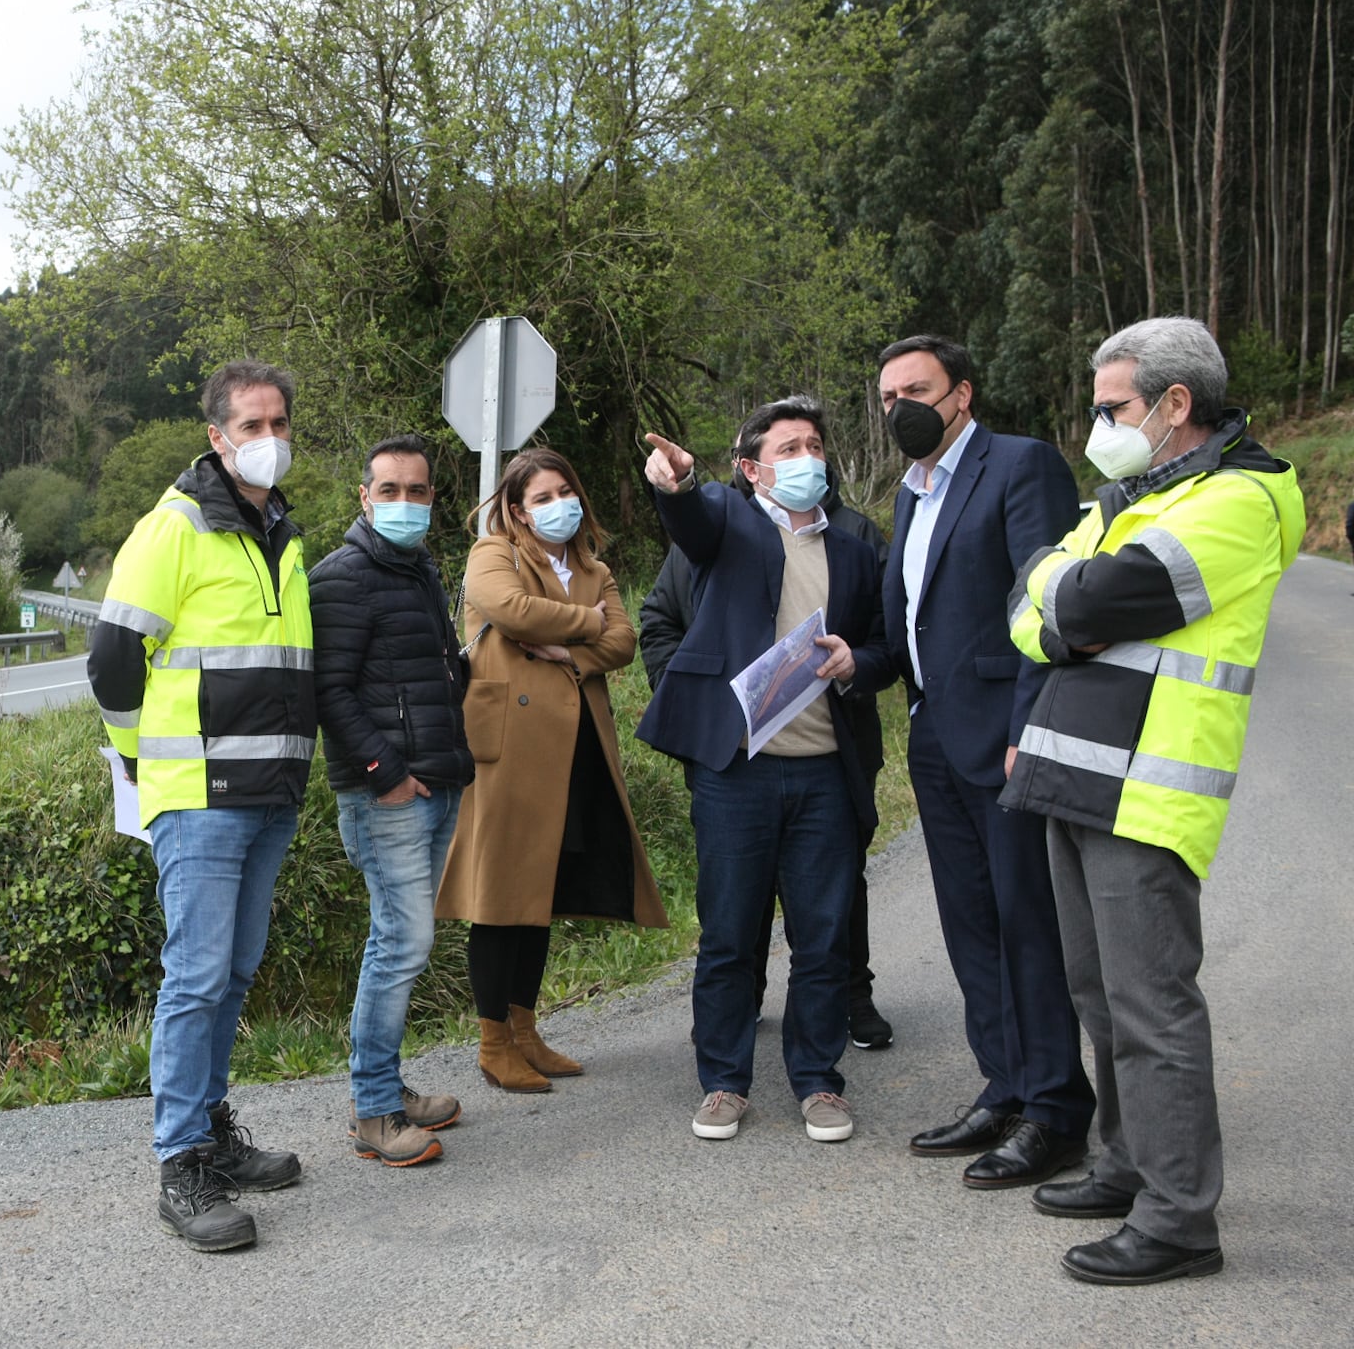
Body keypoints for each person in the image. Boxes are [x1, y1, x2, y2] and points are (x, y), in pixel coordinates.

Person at [1003, 316, 1303, 1285]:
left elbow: (1084, 602)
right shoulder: (1135, 494)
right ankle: (1126, 1162)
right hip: (1074, 770)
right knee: (1096, 995)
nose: (1095, 425)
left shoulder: (1238, 498)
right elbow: (1028, 602)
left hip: (1147, 785)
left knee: (1149, 1006)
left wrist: (1063, 598)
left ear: (1176, 405)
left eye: (1111, 407)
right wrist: (1061, 596)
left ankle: (1177, 1219)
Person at [88, 359, 316, 1253]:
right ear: (216, 437)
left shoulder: (282, 535)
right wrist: (146, 761)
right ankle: (181, 1164)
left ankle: (213, 1132)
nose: (269, 440)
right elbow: (112, 661)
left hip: (271, 793)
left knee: (233, 970)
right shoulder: (173, 528)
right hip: (201, 796)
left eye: (279, 424)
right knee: (195, 974)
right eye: (251, 427)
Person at [874, 335, 1094, 1189]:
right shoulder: (910, 494)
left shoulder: (1020, 465)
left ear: (962, 393)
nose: (901, 408)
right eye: (888, 396)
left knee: (1025, 924)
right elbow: (920, 617)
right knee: (970, 925)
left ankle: (1055, 1112)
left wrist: (1029, 725)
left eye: (916, 390)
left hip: (1005, 734)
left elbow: (1047, 598)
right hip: (935, 736)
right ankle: (1004, 1086)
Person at [636, 398, 883, 1144]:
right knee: (730, 936)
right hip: (737, 776)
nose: (809, 457)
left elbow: (883, 647)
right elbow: (693, 517)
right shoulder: (729, 524)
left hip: (824, 775)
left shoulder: (854, 545)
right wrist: (675, 484)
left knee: (823, 937)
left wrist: (856, 664)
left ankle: (818, 1081)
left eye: (815, 444)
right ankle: (723, 1081)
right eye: (789, 448)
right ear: (751, 469)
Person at [434, 448, 667, 1093]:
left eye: (565, 491)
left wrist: (570, 647)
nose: (556, 505)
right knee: (500, 895)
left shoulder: (594, 567)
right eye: (541, 497)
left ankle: (526, 1030)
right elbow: (510, 610)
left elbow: (623, 643)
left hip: (576, 744)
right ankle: (493, 1041)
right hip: (508, 748)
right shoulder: (494, 554)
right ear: (516, 509)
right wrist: (589, 623)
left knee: (538, 891)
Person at [309, 434, 475, 1168]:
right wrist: (385, 772)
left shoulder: (418, 571)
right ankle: (374, 1111)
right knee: (400, 945)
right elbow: (330, 691)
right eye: (390, 491)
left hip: (436, 784)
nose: (404, 503)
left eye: (418, 491)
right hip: (389, 797)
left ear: (433, 499)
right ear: (364, 497)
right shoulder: (342, 577)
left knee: (403, 942)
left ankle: (388, 1086)